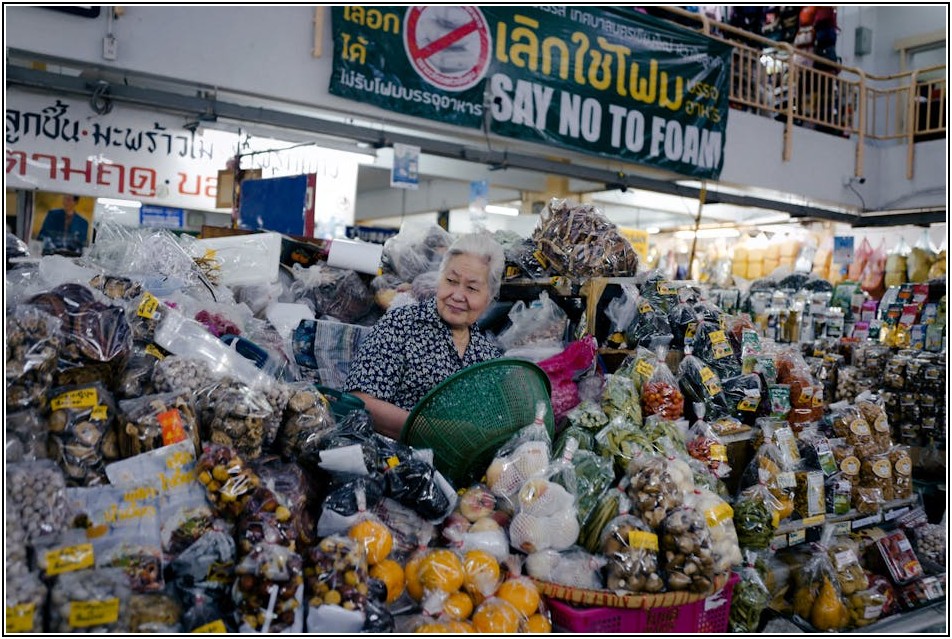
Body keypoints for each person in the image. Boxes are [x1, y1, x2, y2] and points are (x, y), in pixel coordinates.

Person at [345, 232, 506, 439]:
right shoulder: (401, 325)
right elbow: (360, 400)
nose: (457, 295)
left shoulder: (488, 358)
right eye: (451, 280)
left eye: (472, 288)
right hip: (396, 462)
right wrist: (436, 431)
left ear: (490, 296)